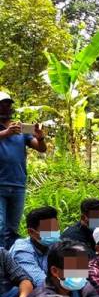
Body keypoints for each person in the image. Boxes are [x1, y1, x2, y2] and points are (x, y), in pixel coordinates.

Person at [0, 92, 47, 250]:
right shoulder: (9, 130)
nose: (5, 108)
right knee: (0, 227)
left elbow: (41, 149)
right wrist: (6, 133)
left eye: (8, 104)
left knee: (11, 229)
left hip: (18, 185)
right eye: (1, 104)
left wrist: (40, 137)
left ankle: (9, 261)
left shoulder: (21, 129)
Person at [10, 207, 60, 290]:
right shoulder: (22, 251)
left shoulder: (55, 243)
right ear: (31, 232)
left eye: (56, 228)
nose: (54, 233)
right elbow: (41, 282)